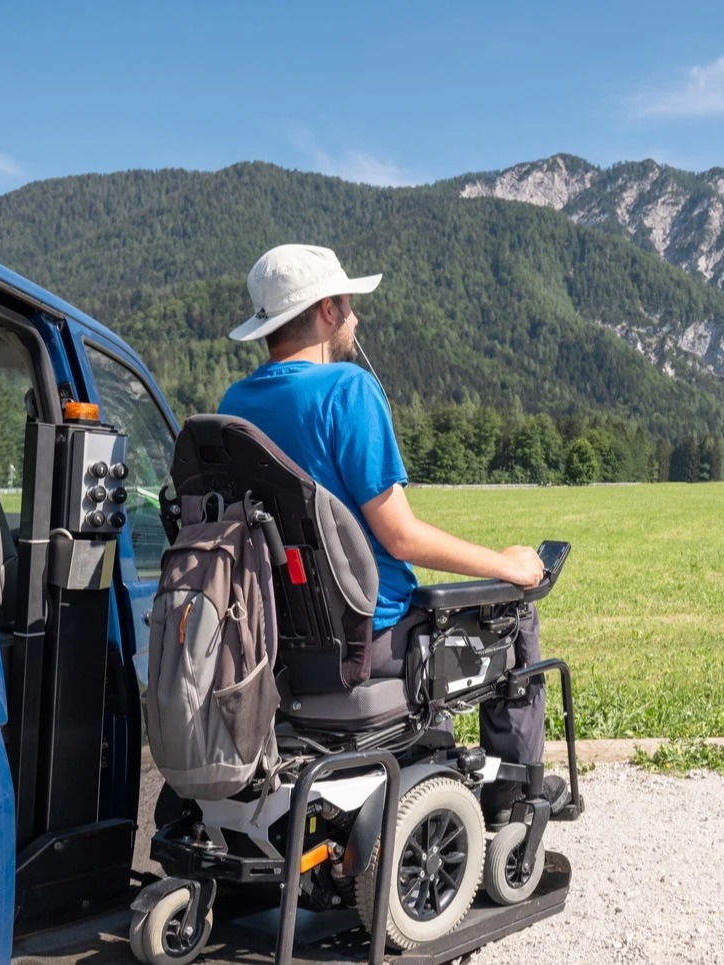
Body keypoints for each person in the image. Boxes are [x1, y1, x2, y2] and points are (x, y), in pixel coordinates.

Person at [218, 244, 562, 824]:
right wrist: (506, 567)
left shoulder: (236, 405)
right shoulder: (346, 391)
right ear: (328, 310)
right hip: (366, 640)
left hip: (275, 641)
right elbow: (400, 538)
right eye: (350, 305)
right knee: (514, 611)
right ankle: (515, 802)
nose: (356, 318)